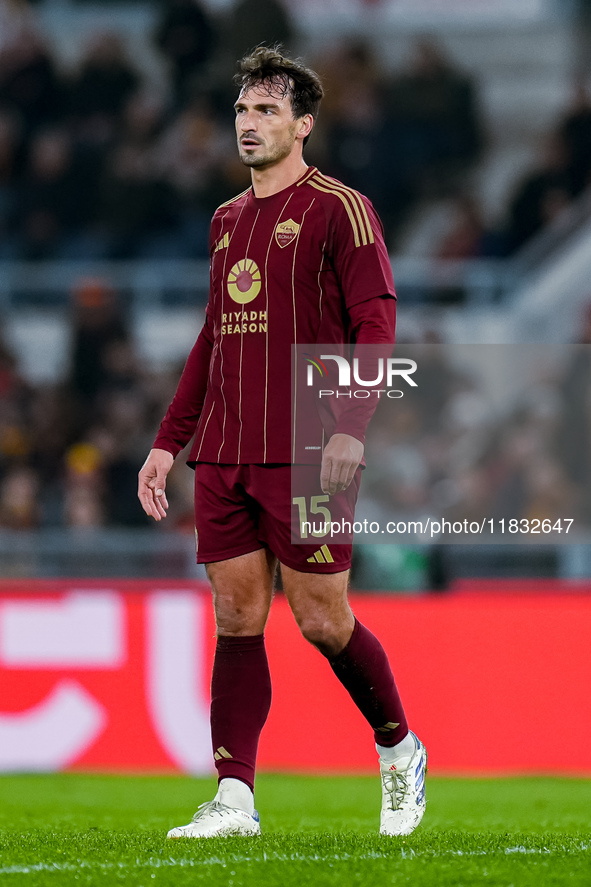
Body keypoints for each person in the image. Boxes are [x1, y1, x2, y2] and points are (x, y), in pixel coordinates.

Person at [138, 46, 426, 839]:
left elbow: (376, 324)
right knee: (236, 616)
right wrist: (169, 442)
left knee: (321, 620)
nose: (248, 123)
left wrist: (348, 427)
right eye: (240, 110)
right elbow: (212, 339)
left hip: (307, 445)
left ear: (303, 124)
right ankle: (233, 798)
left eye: (266, 110)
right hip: (225, 451)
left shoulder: (341, 207)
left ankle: (400, 750)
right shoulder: (225, 221)